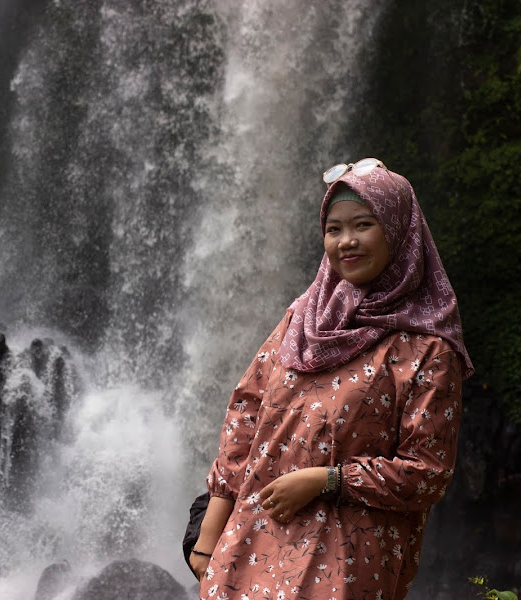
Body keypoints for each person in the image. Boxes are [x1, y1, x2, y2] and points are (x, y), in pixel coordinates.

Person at [189, 158, 474, 600]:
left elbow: (428, 473)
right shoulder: (301, 320)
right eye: (334, 229)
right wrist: (207, 541)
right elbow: (244, 420)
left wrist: (329, 480)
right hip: (247, 547)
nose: (347, 242)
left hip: (345, 561)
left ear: (399, 230)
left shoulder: (428, 347)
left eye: (363, 225)